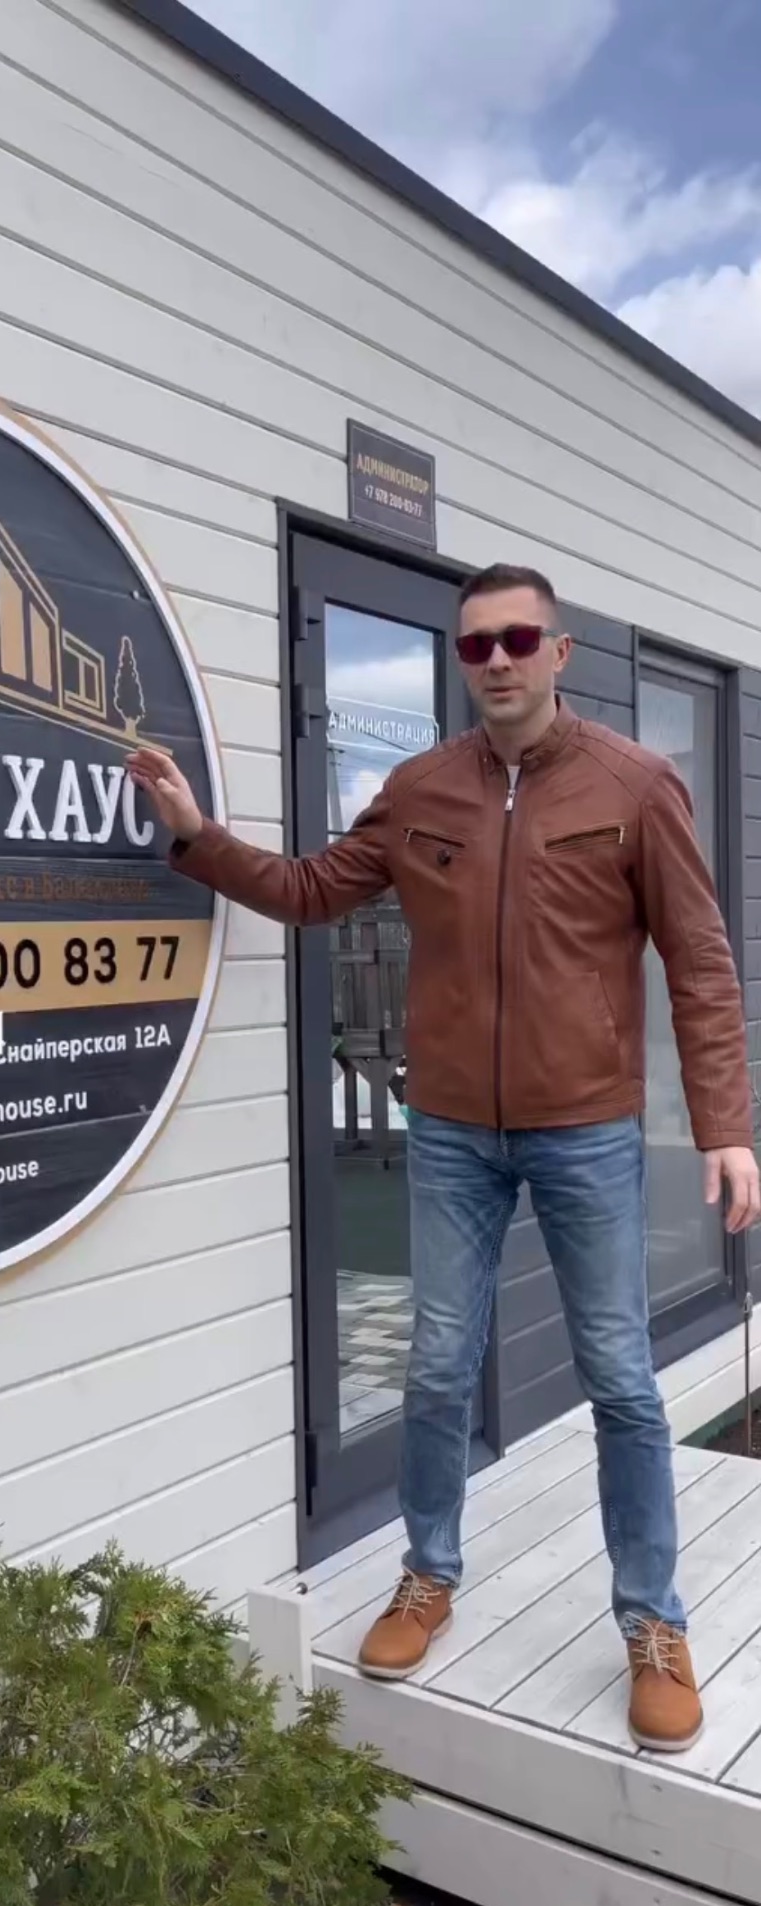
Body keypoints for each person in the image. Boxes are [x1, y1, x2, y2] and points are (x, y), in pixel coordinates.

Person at [127, 561, 760, 1754]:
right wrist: (198, 839)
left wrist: (724, 1125)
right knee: (433, 1365)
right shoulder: (420, 789)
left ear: (559, 652)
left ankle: (652, 1622)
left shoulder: (635, 785)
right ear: (462, 662)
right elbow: (314, 891)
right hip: (455, 1130)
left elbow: (698, 959)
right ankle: (427, 1573)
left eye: (518, 639)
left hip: (586, 1129)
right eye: (476, 645)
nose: (497, 661)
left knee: (621, 1380)